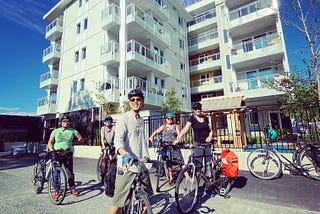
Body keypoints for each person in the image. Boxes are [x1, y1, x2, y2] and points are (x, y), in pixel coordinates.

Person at [109, 89, 152, 214]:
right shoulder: (124, 118)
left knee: (146, 201)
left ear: (142, 102)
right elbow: (118, 141)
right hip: (127, 165)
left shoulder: (142, 120)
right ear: (129, 102)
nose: (135, 102)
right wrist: (124, 154)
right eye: (132, 100)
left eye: (138, 99)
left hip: (142, 164)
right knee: (117, 203)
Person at [173, 102, 215, 196]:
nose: (198, 110)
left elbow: (211, 130)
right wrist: (178, 139)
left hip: (207, 144)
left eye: (199, 108)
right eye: (196, 109)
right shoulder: (192, 119)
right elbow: (184, 130)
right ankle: (198, 188)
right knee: (198, 167)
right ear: (193, 110)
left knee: (208, 166)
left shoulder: (205, 118)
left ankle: (209, 187)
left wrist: (210, 137)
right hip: (198, 145)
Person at [47, 115, 84, 198]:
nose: (66, 123)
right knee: (56, 172)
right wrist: (52, 151)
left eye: (68, 121)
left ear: (69, 123)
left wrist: (76, 141)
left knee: (69, 172)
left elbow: (80, 138)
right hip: (56, 153)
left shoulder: (73, 131)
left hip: (67, 153)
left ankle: (72, 188)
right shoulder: (55, 131)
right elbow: (50, 142)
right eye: (64, 121)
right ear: (61, 122)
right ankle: (57, 190)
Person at [149, 112, 187, 185]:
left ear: (173, 119)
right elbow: (156, 131)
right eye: (168, 118)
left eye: (171, 118)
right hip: (165, 146)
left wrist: (177, 140)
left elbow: (179, 135)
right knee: (168, 163)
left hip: (174, 146)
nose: (169, 120)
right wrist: (152, 136)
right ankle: (171, 177)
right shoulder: (163, 126)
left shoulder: (175, 126)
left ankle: (187, 176)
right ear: (166, 119)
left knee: (180, 161)